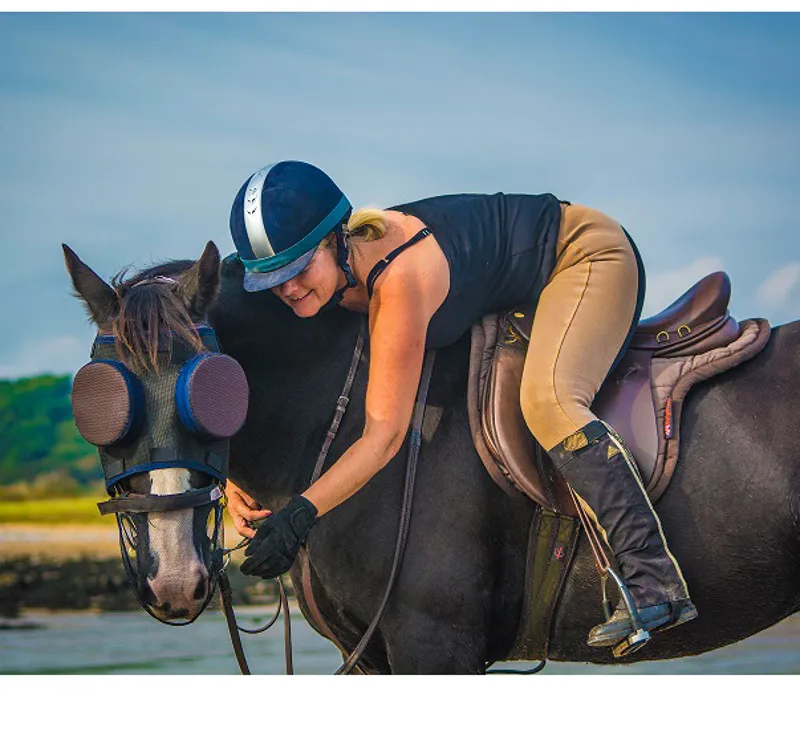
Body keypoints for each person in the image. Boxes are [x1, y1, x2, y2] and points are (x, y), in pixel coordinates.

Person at [224, 159, 697, 649]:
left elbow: (384, 436)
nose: (289, 289)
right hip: (516, 279)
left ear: (338, 239)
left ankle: (652, 578)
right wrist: (233, 480)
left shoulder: (398, 280)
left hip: (584, 255)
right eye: (271, 280)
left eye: (299, 269)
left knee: (548, 400)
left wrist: (299, 515)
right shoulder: (334, 278)